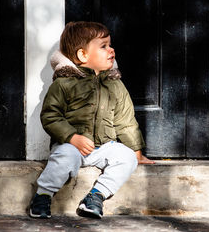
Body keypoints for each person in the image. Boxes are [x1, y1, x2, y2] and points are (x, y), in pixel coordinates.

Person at [29, 21, 154, 219]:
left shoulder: (115, 85)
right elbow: (51, 116)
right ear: (82, 55)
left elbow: (126, 120)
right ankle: (43, 195)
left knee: (126, 157)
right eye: (103, 46)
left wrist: (136, 151)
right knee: (63, 158)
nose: (111, 50)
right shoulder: (64, 84)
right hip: (72, 145)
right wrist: (72, 137)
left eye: (110, 45)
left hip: (105, 145)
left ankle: (96, 196)